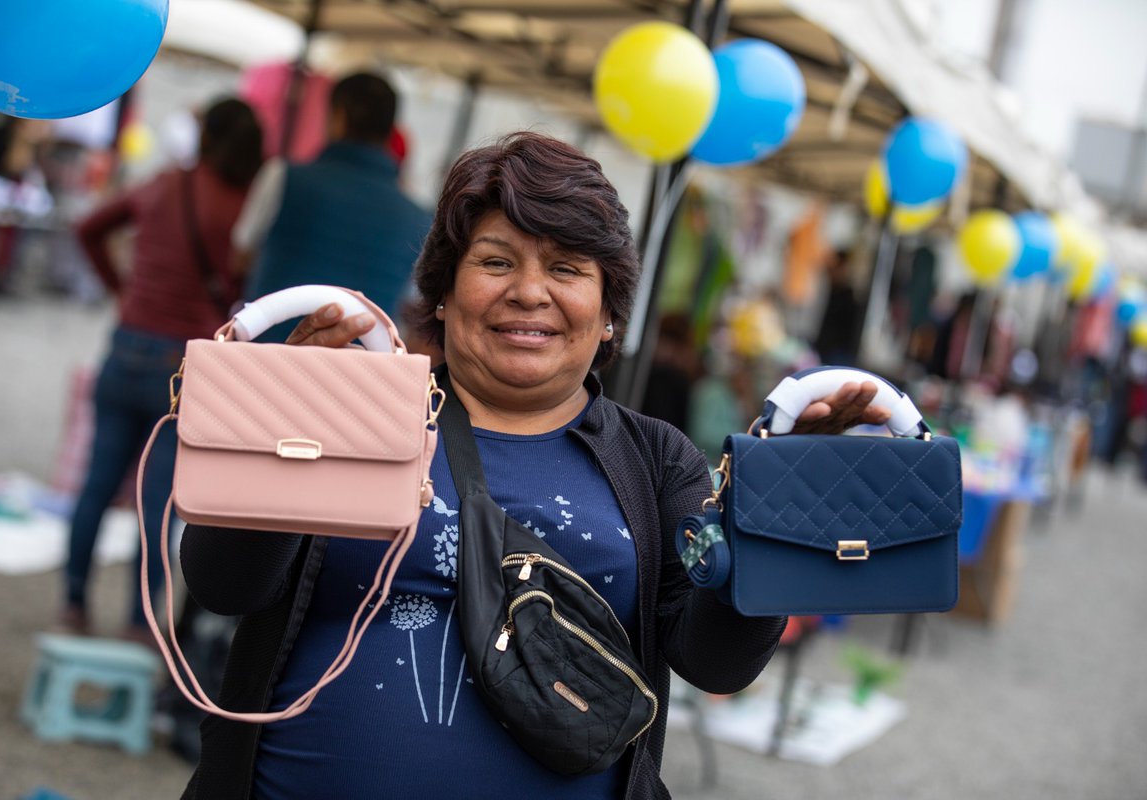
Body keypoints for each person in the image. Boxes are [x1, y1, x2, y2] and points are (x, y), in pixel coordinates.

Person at [177, 132, 891, 799]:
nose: (528, 291)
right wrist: (287, 426)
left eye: (566, 268)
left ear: (608, 312)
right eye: (495, 262)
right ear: (443, 292)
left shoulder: (656, 460)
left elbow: (718, 663)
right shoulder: (355, 416)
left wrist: (774, 509)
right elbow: (223, 585)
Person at [60, 98, 263, 642]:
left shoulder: (162, 183)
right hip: (186, 365)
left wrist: (120, 288)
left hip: (126, 346)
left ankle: (73, 604)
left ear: (206, 135)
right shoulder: (244, 204)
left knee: (97, 485)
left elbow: (89, 228)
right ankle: (139, 621)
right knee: (158, 503)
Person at [232, 70, 431, 339]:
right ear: (390, 128)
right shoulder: (420, 219)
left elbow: (241, 256)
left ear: (338, 116)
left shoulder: (282, 176)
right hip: (359, 361)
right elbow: (412, 300)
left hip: (267, 351)